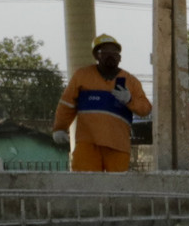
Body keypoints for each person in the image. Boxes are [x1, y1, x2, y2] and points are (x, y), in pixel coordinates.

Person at [53, 32, 151, 172]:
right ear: (96, 55)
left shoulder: (131, 82)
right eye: (105, 51)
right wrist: (59, 128)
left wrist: (130, 100)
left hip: (118, 145)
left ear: (120, 57)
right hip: (87, 143)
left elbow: (145, 109)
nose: (111, 55)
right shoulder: (82, 76)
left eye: (115, 52)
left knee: (117, 188)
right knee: (85, 185)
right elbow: (67, 105)